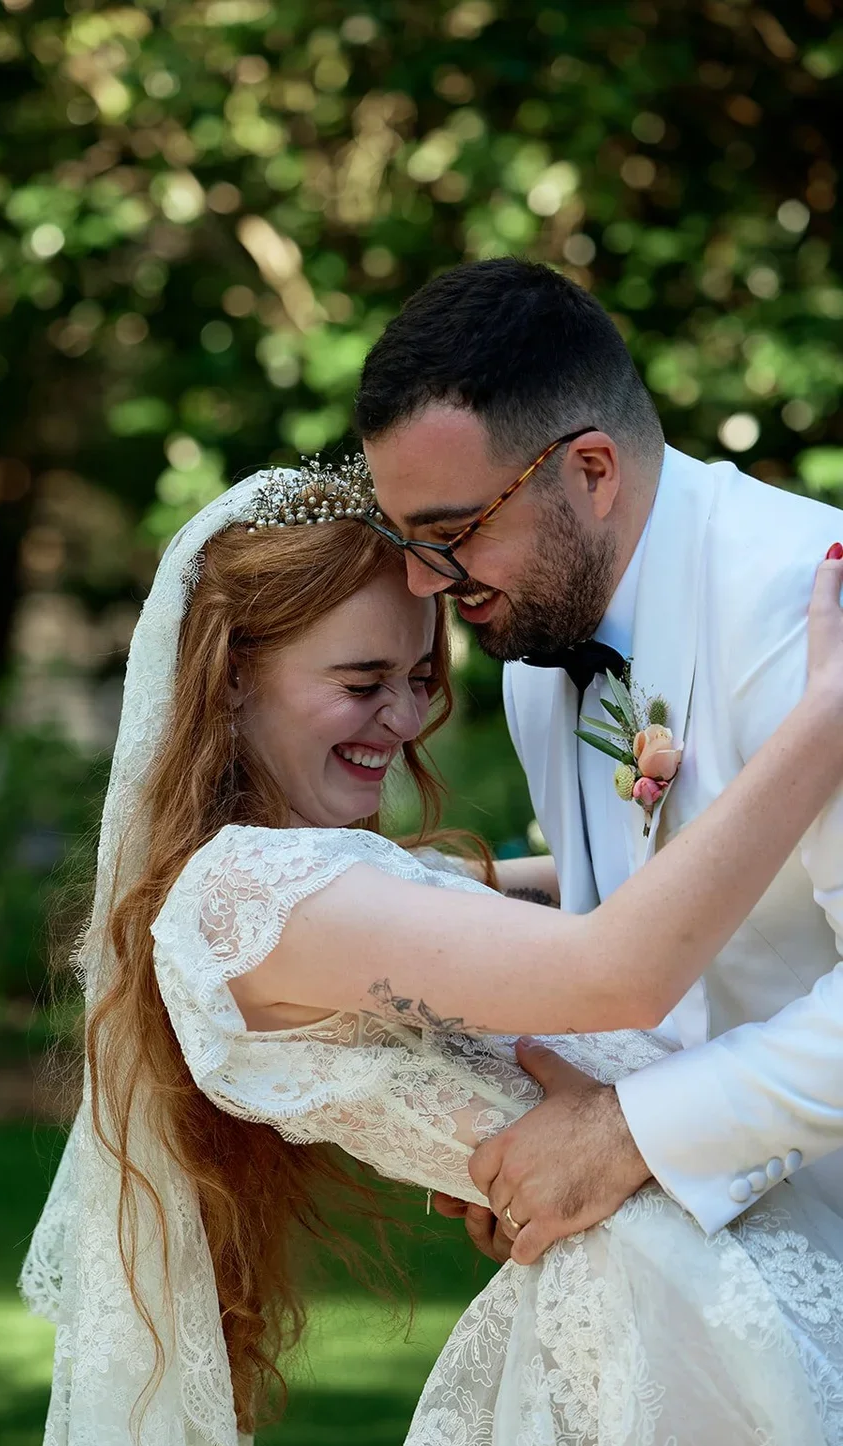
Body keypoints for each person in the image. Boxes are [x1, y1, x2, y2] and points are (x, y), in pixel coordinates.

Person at [22, 461, 843, 1446]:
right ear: (230, 673)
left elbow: (581, 894)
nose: (405, 721)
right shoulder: (245, 899)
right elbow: (620, 969)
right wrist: (824, 715)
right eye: (361, 684)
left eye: (421, 680)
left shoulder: (318, 878)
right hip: (658, 1299)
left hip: (678, 1255)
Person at [354, 255, 843, 1272]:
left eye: (449, 535)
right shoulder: (540, 642)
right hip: (708, 1276)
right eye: (403, 538)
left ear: (591, 470)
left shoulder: (803, 609)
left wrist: (625, 1136)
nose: (419, 581)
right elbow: (630, 923)